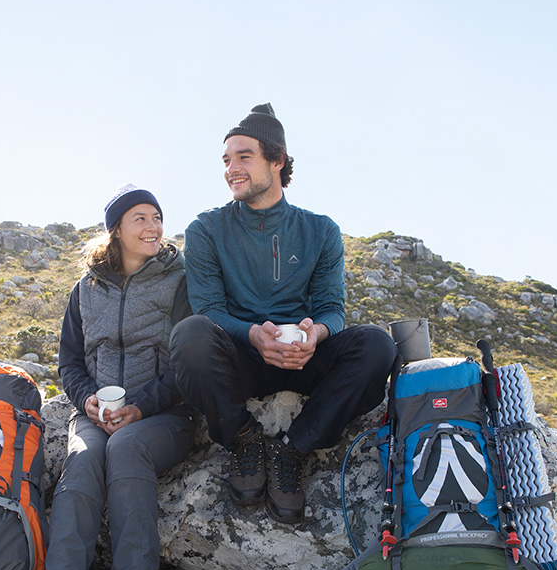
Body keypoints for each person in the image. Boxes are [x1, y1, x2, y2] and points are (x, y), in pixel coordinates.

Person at [170, 103, 397, 526]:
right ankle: (243, 438)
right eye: (226, 160)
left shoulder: (320, 230)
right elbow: (210, 309)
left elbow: (332, 308)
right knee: (190, 334)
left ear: (277, 160)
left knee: (377, 345)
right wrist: (254, 335)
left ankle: (293, 448)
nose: (231, 169)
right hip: (241, 358)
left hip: (302, 359)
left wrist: (318, 333)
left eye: (244, 157)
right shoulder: (206, 230)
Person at [41, 184, 194, 570]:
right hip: (96, 413)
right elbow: (69, 362)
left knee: (126, 448)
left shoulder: (179, 280)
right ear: (116, 230)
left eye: (157, 217)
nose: (153, 227)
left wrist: (140, 407)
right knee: (83, 461)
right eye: (140, 219)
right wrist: (87, 400)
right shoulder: (85, 289)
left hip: (164, 414)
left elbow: (187, 361)